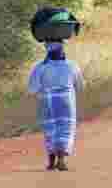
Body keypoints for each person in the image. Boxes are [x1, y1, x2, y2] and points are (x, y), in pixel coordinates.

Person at [28, 41, 85, 171]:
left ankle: (51, 161)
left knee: (50, 131)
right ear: (62, 50)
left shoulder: (39, 67)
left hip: (47, 103)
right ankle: (61, 159)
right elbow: (80, 86)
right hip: (67, 103)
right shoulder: (72, 65)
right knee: (65, 130)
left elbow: (32, 89)